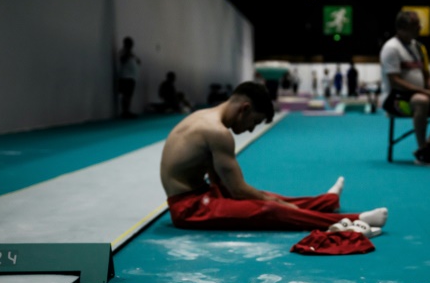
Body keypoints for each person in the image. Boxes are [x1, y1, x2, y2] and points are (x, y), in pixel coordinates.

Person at [160, 81, 388, 231]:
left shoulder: (205, 117)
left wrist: (267, 198)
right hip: (188, 208)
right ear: (245, 109)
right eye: (254, 123)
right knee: (270, 208)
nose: (250, 129)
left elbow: (222, 181)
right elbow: (238, 190)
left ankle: (327, 201)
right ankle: (353, 220)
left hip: (202, 193)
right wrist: (273, 202)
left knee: (268, 196)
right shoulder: (217, 132)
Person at [380, 10, 430, 166]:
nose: (420, 27)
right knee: (421, 100)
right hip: (396, 99)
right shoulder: (391, 48)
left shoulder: (418, 47)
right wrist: (426, 92)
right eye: (416, 25)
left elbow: (427, 76)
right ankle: (421, 149)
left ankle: (427, 146)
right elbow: (395, 81)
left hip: (421, 95)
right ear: (403, 27)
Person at [117, 36, 141, 118]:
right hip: (126, 77)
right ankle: (125, 111)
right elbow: (122, 59)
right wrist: (129, 54)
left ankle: (127, 110)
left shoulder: (132, 53)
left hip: (131, 77)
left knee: (129, 95)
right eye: (129, 43)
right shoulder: (123, 52)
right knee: (126, 95)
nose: (131, 45)